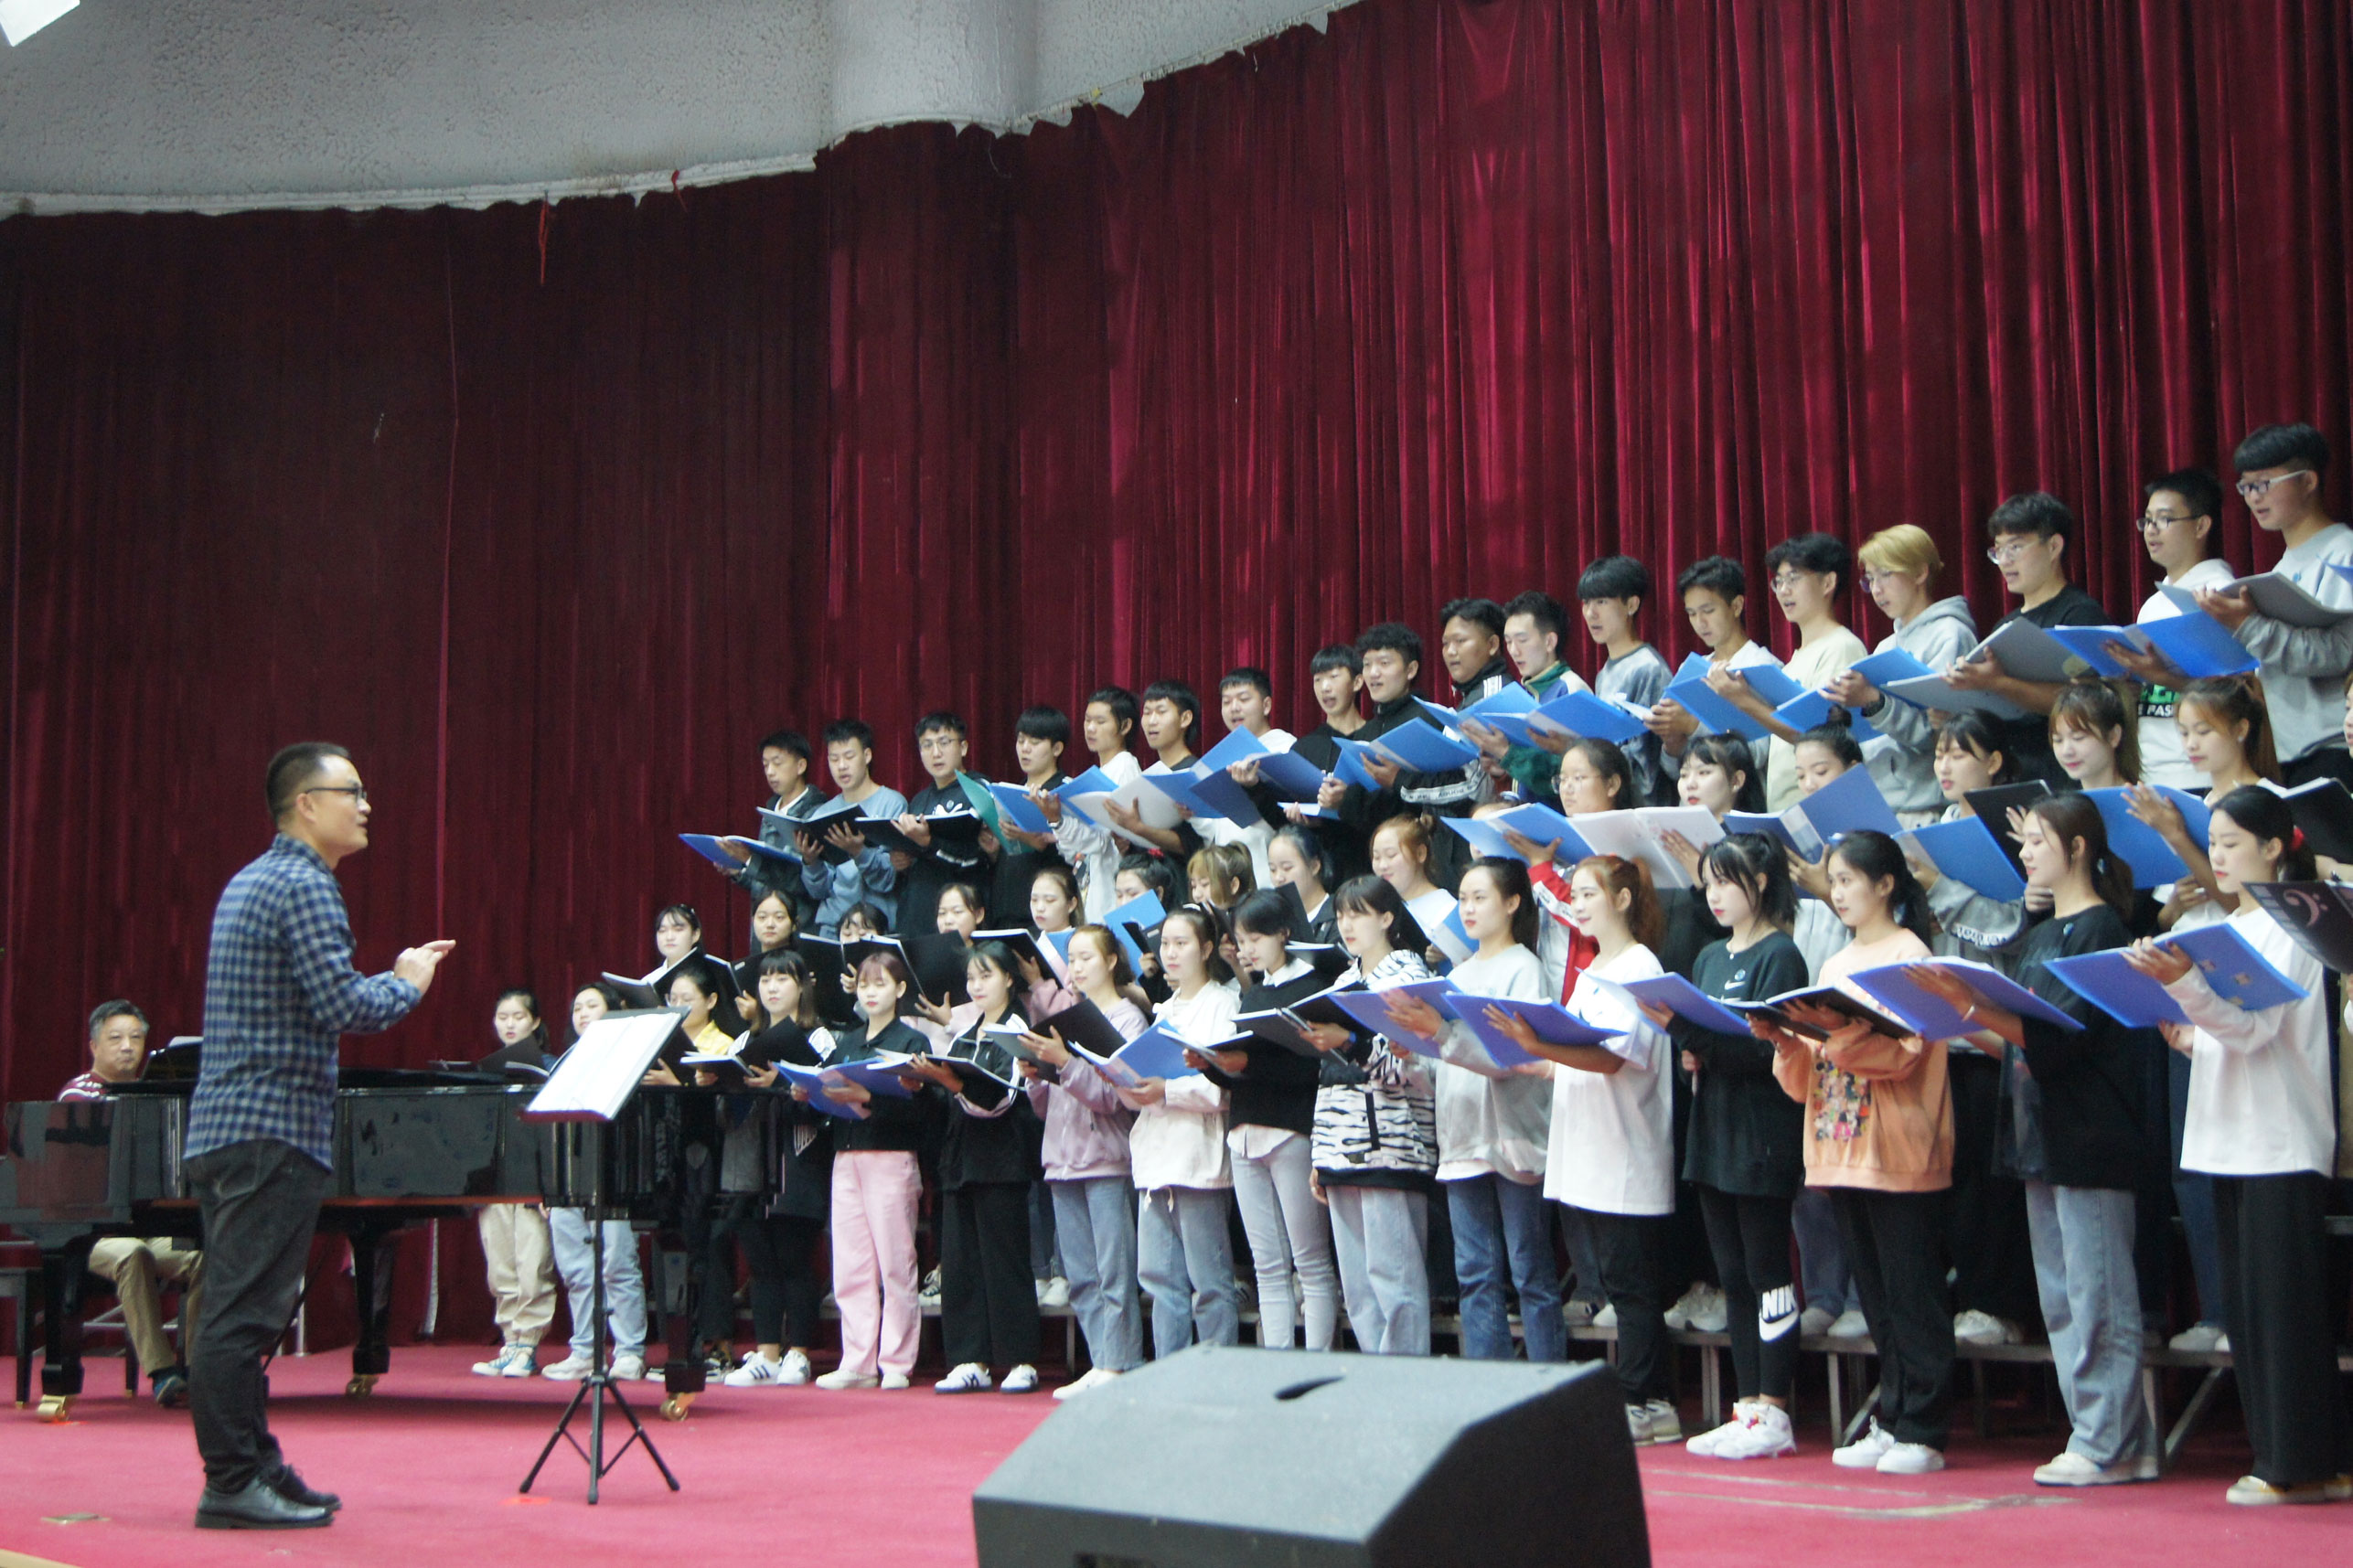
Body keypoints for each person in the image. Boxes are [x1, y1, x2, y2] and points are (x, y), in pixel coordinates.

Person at [183, 742, 452, 1529]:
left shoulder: (251, 878)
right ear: (306, 803)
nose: (366, 805)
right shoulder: (306, 884)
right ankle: (231, 1480)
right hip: (271, 1127)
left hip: (231, 1124)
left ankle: (256, 1463)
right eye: (351, 791)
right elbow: (344, 1005)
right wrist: (406, 980)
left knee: (241, 1309)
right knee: (241, 1316)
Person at [1910, 795, 2164, 1486]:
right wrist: (1952, 1012)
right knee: (2061, 1296)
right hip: (2036, 1131)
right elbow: (2016, 1045)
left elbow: (2062, 1039)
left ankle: (2108, 1440)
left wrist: (1972, 1002)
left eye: (2036, 841)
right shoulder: (2044, 931)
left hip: (2090, 1132)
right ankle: (2111, 1435)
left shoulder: (2101, 927)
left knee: (2098, 1294)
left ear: (2077, 848)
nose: (2023, 854)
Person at [2129, 786, 2353, 1503]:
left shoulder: (2294, 928)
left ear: (2273, 846)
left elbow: (2258, 1031)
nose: (2217, 856)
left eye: (2230, 843)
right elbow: (2232, 1036)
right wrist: (2185, 1029)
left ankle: (2299, 1462)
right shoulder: (2230, 925)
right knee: (2250, 1315)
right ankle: (2290, 1456)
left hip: (2278, 1139)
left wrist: (2187, 987)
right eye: (2213, 843)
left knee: (2283, 1313)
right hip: (2228, 1135)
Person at [1755, 829, 1952, 1476]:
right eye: (1833, 882)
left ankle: (1923, 1426)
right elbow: (1810, 1073)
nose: (1836, 893)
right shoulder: (1836, 962)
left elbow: (1905, 1054)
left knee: (1911, 1291)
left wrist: (1837, 1033)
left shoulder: (1910, 954)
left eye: (1847, 880)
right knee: (1875, 1293)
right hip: (1840, 1143)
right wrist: (1787, 1039)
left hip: (1897, 1145)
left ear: (1885, 884)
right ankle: (1891, 1416)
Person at [1504, 854, 1678, 1444]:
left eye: (1588, 894)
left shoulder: (1639, 965)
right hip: (1588, 1145)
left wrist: (1542, 1047)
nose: (1576, 905)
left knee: (1632, 1287)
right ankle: (1646, 1399)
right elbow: (1575, 1059)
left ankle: (1646, 1401)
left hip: (1624, 1147)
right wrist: (1525, 1053)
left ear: (1623, 900)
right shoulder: (1594, 966)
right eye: (1573, 895)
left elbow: (1612, 1059)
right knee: (1616, 1281)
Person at [1377, 862, 1562, 1364]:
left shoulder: (1524, 968)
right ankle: (1489, 1383)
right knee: (1474, 1274)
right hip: (1461, 1136)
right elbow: (1444, 1072)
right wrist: (1414, 1055)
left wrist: (1440, 1034)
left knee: (1529, 1270)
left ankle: (1549, 1384)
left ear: (1512, 903)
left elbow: (1512, 1061)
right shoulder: (1455, 977)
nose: (1469, 908)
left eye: (1480, 897)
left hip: (1512, 1134)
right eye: (1462, 898)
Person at [1666, 838, 1809, 1461]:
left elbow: (1767, 1049)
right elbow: (1708, 1044)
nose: (1714, 895)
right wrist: (1688, 1049)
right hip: (1712, 1128)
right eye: (1707, 884)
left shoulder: (1780, 955)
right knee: (1732, 1277)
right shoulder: (1706, 955)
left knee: (1767, 1271)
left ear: (1760, 880)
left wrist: (1687, 1030)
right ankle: (1747, 1403)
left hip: (1761, 1131)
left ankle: (1774, 1406)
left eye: (1725, 881)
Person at [1187, 890, 1342, 1351]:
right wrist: (1212, 1065)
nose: (1248, 950)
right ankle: (1276, 1362)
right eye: (1241, 940)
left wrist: (1247, 1064)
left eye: (1256, 938)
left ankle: (1315, 1363)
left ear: (1284, 934)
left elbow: (1311, 1068)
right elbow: (1241, 1069)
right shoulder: (1254, 994)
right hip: (1245, 1130)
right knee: (1267, 1265)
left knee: (1310, 1261)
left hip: (1291, 1129)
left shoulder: (1312, 987)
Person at [1297, 876, 1439, 1356]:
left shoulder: (1409, 977)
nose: (1346, 924)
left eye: (1358, 913)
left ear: (1387, 918)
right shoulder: (1342, 982)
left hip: (1391, 1147)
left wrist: (1353, 1043)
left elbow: (1409, 1069)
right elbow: (1327, 1076)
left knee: (1396, 1281)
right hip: (1341, 1147)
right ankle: (1376, 1381)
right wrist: (1320, 1152)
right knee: (1357, 1288)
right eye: (1340, 915)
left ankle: (1406, 1381)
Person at [903, 943, 1043, 1394]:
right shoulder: (965, 1034)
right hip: (960, 1160)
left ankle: (1020, 1358)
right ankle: (969, 1358)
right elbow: (949, 1100)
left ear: (1009, 979)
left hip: (1002, 1160)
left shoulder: (1017, 1031)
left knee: (1004, 1260)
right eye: (971, 978)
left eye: (986, 976)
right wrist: (924, 1084)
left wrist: (952, 1082)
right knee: (961, 1262)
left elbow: (1002, 1099)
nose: (976, 986)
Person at [1021, 926, 1146, 1397]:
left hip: (1107, 1158)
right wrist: (1036, 1075)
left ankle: (1121, 1362)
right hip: (1061, 1157)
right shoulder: (1062, 1018)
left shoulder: (1128, 1019)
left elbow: (1116, 1098)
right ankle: (1100, 1361)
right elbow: (1044, 1107)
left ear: (1111, 961)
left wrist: (1066, 1064)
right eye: (1071, 959)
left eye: (1087, 957)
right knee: (1080, 1276)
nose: (1077, 967)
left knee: (1114, 1271)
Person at [59, 1000, 204, 1407]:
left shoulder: (155, 1095)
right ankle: (162, 1372)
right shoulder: (79, 1094)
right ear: (94, 1046)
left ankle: (198, 1370)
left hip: (148, 1225)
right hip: (92, 1233)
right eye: (116, 1038)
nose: (127, 1047)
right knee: (133, 1255)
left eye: (136, 1038)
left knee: (204, 1259)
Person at [2196, 424, 2353, 788]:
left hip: (2332, 748)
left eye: (2264, 484)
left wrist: (2248, 624)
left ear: (2308, 481)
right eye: (2246, 487)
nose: (2253, 497)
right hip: (2286, 752)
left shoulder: (2343, 552)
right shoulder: (2283, 567)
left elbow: (2339, 653)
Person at [1119, 905, 1241, 1357]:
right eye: (1165, 944)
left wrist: (1167, 1089)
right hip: (1156, 1153)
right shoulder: (1164, 1009)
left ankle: (1215, 1371)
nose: (1170, 953)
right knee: (1159, 1278)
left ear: (1206, 949)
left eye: (1181, 943)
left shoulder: (1223, 1003)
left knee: (1209, 1281)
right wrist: (1127, 1083)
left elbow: (1221, 1087)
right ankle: (1168, 1373)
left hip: (1197, 1154)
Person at [810, 954, 931, 1390]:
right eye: (864, 984)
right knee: (851, 1264)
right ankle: (858, 1360)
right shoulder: (848, 1041)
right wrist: (813, 1092)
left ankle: (896, 1360)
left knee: (896, 1261)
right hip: (847, 1155)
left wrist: (871, 1097)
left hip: (891, 1155)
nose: (871, 992)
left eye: (880, 984)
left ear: (900, 990)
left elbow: (924, 1109)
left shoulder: (911, 1040)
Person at [719, 955, 836, 1389]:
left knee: (794, 1259)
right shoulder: (743, 1039)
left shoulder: (818, 1036)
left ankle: (799, 1352)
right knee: (761, 1262)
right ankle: (767, 1352)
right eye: (765, 979)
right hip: (750, 1159)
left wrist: (784, 1085)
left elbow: (828, 1097)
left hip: (797, 1158)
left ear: (801, 986)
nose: (771, 987)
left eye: (782, 978)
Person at [1943, 492, 2110, 784]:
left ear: (2054, 546)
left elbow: (2089, 703)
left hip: (2064, 774)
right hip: (2014, 772)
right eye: (1998, 550)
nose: (2005, 561)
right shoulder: (2005, 625)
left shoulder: (2080, 615)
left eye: (2016, 547)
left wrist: (1999, 683)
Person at [1825, 524, 1978, 823]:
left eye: (1886, 574)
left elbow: (1940, 733)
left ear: (1920, 573)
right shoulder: (1886, 646)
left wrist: (1873, 701)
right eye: (1870, 579)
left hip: (1926, 805)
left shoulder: (1950, 635)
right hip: (1883, 801)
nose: (1877, 589)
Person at [1712, 534, 1869, 811]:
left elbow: (1821, 739)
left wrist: (1744, 701)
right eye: (1778, 582)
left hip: (1820, 808)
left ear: (1828, 583)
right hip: (1786, 806)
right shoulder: (1796, 658)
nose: (1783, 591)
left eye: (1793, 579)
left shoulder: (1841, 647)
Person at [543, 982, 650, 1384]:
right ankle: (585, 1351)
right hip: (569, 1178)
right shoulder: (563, 1061)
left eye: (592, 1005)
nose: (583, 1013)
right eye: (577, 1008)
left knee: (617, 1265)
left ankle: (629, 1352)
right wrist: (548, 1185)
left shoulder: (629, 1058)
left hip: (612, 1175)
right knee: (575, 1269)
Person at [2113, 471, 2236, 790]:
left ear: (2201, 526)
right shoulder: (2153, 603)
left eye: (2165, 519)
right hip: (2152, 768)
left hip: (2199, 771)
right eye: (2147, 520)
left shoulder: (2220, 593)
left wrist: (2161, 676)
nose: (2151, 530)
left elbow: (2233, 692)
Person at [471, 989, 558, 1378]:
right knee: (500, 1268)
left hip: (532, 1182)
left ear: (535, 1022)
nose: (509, 1024)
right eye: (502, 1017)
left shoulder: (549, 1067)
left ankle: (529, 1344)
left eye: (518, 1017)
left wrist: (550, 1186)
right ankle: (510, 1341)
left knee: (532, 1265)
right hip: (496, 1181)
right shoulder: (488, 1070)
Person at [1651, 556, 1780, 800]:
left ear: (1736, 606)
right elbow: (1672, 769)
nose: (1700, 623)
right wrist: (1672, 739)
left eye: (1708, 611)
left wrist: (1693, 726)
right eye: (1691, 614)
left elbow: (1759, 754)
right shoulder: (1690, 669)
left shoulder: (1761, 665)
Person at [1470, 589, 1589, 805]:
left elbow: (1571, 771)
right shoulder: (1524, 693)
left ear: (1550, 642)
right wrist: (1502, 768)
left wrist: (1507, 753)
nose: (1514, 651)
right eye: (1508, 642)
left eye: (1522, 640)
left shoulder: (1571, 689)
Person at [1579, 556, 1674, 806]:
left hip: (1642, 808)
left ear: (1631, 604)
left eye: (1601, 602)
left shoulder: (1649, 668)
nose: (1590, 613)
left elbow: (1649, 760)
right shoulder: (1604, 673)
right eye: (1586, 602)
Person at [798, 719, 907, 936]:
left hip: (876, 926)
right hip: (834, 926)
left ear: (867, 756)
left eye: (849, 757)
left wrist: (859, 851)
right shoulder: (822, 814)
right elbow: (819, 891)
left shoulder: (892, 804)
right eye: (834, 759)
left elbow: (887, 880)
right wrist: (811, 862)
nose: (841, 766)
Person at [1048, 686, 1143, 922]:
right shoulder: (1101, 772)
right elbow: (1077, 852)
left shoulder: (1124, 766)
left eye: (1100, 722)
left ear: (1125, 726)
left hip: (1114, 891)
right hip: (1093, 886)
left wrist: (1058, 821)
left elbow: (1101, 840)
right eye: (1087, 720)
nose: (1090, 728)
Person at [892, 711, 990, 936]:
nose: (935, 753)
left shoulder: (978, 788)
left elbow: (977, 856)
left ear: (963, 748)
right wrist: (902, 861)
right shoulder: (919, 800)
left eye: (944, 743)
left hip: (957, 919)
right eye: (927, 745)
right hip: (915, 913)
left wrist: (928, 842)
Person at [720, 729, 829, 930]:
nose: (770, 772)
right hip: (764, 928)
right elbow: (766, 884)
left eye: (777, 763)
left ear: (801, 766)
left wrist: (751, 860)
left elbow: (803, 884)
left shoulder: (816, 813)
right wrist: (740, 872)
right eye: (765, 764)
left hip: (797, 928)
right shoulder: (771, 810)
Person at [989, 705, 1073, 927]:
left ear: (1056, 748)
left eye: (1034, 743)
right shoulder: (1012, 792)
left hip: (1043, 914)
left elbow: (1077, 853)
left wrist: (1034, 841)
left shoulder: (1065, 792)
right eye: (1020, 740)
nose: (1025, 749)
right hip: (1004, 907)